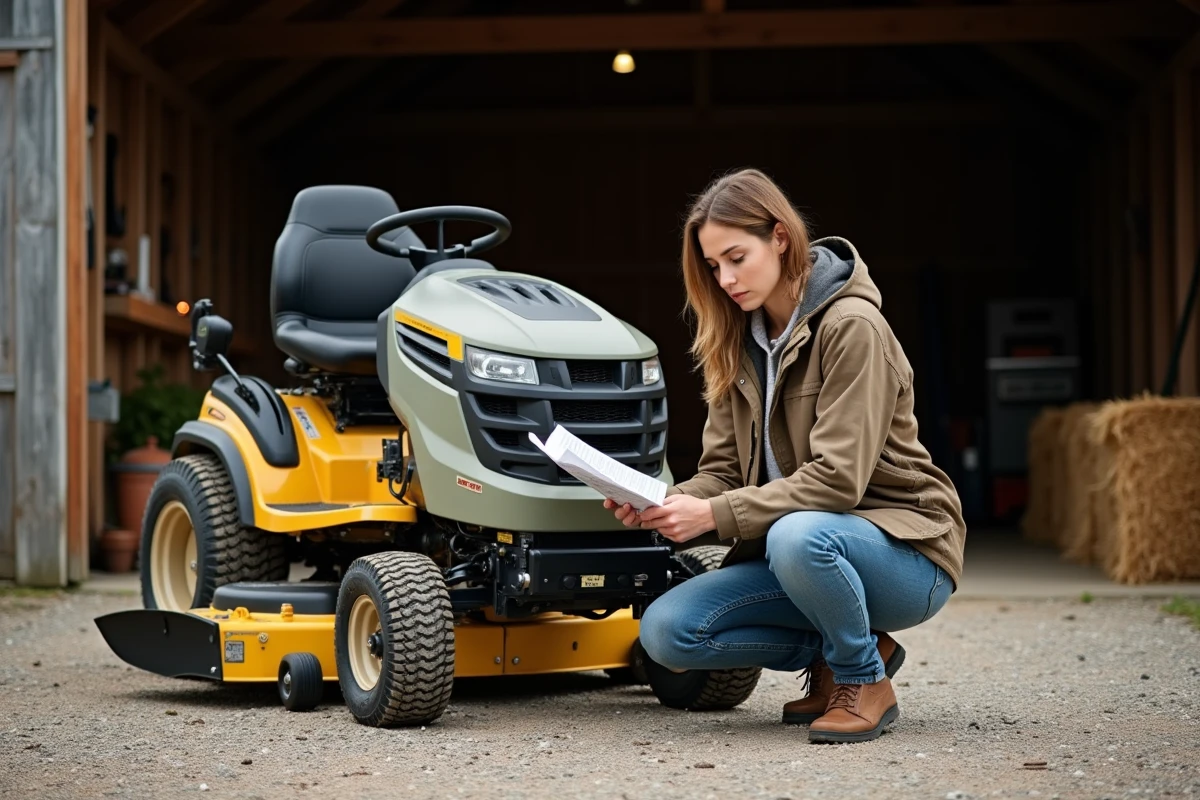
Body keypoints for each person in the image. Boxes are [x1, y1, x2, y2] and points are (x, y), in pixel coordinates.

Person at [604, 168, 966, 744]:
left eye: (736, 257)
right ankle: (851, 647)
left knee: (797, 535)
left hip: (903, 553)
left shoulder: (852, 328)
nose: (725, 279)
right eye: (713, 266)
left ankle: (861, 679)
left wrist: (716, 517)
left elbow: (839, 482)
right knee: (667, 632)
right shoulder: (735, 340)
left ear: (780, 237)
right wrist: (667, 504)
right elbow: (721, 471)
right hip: (798, 554)